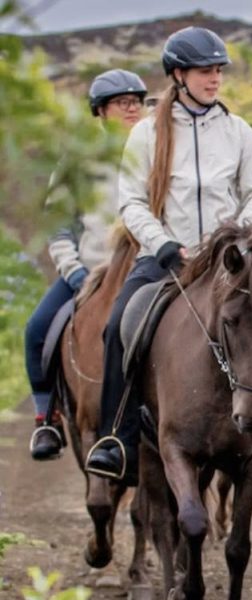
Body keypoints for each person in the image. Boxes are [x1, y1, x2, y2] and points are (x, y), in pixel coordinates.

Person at [84, 26, 252, 484]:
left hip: (231, 258)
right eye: (205, 71)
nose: (215, 79)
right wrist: (163, 244)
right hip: (168, 256)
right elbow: (132, 203)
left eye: (219, 70)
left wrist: (237, 234)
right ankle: (116, 440)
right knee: (119, 323)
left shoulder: (238, 131)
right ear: (178, 75)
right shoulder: (146, 134)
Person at [25, 69, 147, 461]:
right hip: (91, 272)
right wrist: (74, 271)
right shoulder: (78, 161)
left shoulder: (154, 151)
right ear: (100, 111)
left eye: (137, 101)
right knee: (37, 331)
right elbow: (58, 226)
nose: (132, 108)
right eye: (122, 102)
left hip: (148, 270)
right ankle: (47, 418)